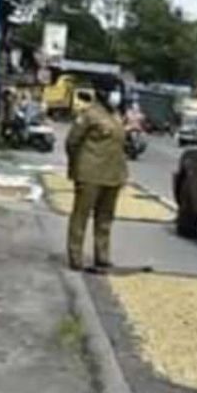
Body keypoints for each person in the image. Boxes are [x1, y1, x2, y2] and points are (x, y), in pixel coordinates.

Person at [65, 83, 129, 272]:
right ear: (103, 93)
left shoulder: (115, 115)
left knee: (105, 217)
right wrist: (77, 166)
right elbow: (72, 142)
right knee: (81, 216)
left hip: (113, 174)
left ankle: (102, 256)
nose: (116, 95)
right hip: (90, 173)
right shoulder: (89, 114)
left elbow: (119, 146)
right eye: (113, 91)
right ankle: (75, 256)